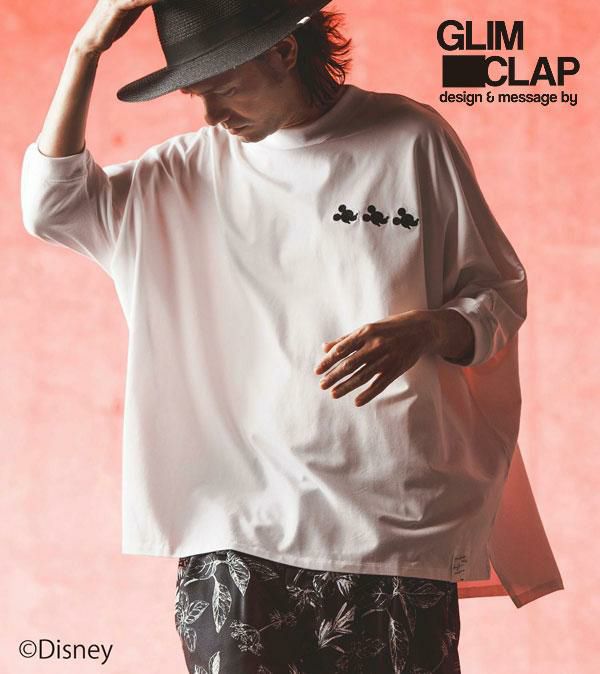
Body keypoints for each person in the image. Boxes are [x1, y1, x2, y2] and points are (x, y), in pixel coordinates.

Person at [20, 0, 532, 672]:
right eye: (196, 95)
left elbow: (498, 294)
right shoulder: (182, 173)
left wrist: (431, 327)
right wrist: (86, 48)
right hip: (235, 532)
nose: (212, 114)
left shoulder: (411, 138)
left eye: (225, 87)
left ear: (284, 52)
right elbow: (51, 206)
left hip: (393, 528)